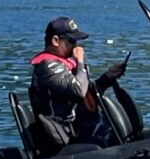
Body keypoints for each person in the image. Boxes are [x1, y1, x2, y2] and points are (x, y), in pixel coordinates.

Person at [29, 16, 127, 151]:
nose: (76, 46)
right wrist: (80, 63)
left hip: (77, 127)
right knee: (105, 137)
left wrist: (107, 78)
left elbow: (86, 92)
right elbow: (78, 91)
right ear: (56, 41)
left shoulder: (63, 63)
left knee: (112, 130)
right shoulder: (47, 66)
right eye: (71, 41)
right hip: (63, 135)